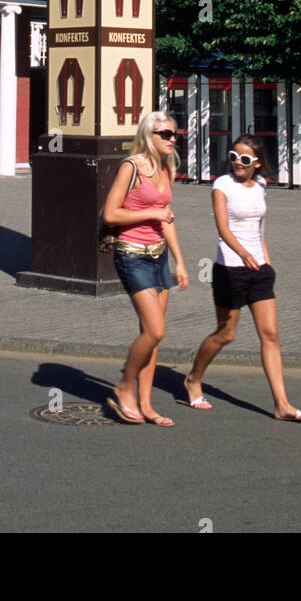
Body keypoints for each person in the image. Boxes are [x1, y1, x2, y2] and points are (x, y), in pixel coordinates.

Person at [184, 134, 301, 423]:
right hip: (229, 268)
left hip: (259, 269)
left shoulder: (262, 185)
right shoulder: (221, 185)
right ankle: (193, 378)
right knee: (225, 334)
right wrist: (243, 254)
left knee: (270, 334)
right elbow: (223, 229)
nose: (237, 163)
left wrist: (265, 260)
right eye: (233, 157)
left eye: (244, 159)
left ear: (255, 163)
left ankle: (282, 404)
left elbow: (259, 226)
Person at [102, 111, 189, 427]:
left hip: (159, 257)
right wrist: (149, 211)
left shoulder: (168, 168)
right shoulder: (131, 167)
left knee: (151, 337)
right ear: (148, 136)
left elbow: (166, 216)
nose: (171, 139)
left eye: (173, 133)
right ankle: (124, 387)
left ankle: (146, 404)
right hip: (132, 255)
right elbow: (111, 214)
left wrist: (179, 260)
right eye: (164, 134)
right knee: (155, 329)